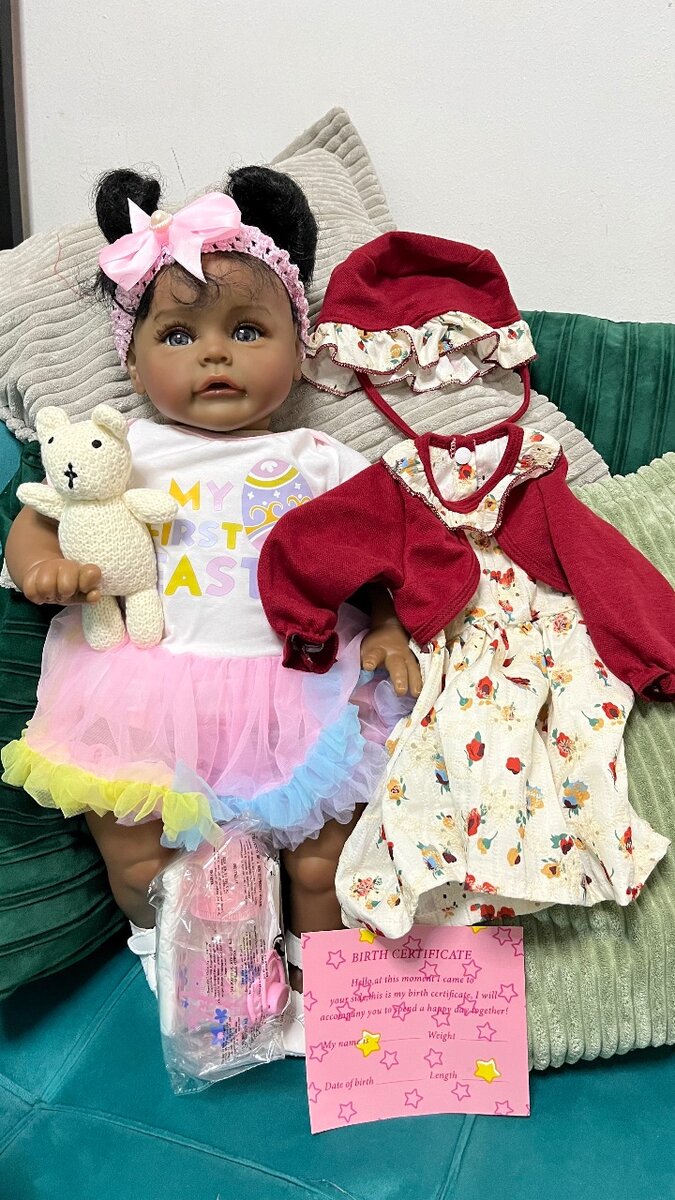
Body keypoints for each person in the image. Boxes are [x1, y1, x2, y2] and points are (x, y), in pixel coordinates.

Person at [1, 167, 420, 1045]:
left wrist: (385, 624)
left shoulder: (317, 459)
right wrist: (42, 566)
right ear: (132, 360)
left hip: (296, 687)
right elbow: (40, 517)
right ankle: (170, 954)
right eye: (178, 334)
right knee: (142, 856)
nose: (214, 354)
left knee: (323, 861)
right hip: (143, 692)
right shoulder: (124, 448)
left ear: (299, 352)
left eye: (246, 330)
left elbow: (382, 548)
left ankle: (326, 987)